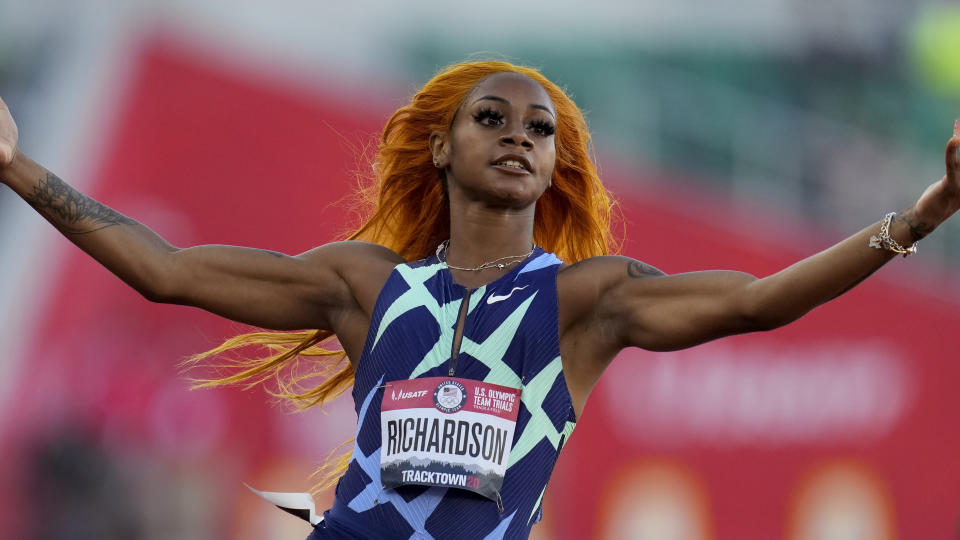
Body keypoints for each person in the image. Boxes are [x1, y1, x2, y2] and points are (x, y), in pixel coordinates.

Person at [0, 60, 958, 539]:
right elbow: (166, 271)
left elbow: (759, 303)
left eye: (538, 129)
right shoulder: (364, 286)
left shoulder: (590, 302)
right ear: (439, 148)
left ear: (552, 164)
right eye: (489, 119)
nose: (516, 137)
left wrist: (926, 211)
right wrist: (16, 166)